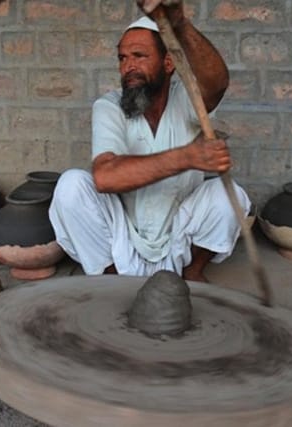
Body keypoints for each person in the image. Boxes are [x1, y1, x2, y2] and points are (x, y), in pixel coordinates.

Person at [49, 0, 251, 282]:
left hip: (178, 236)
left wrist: (179, 22)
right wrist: (187, 157)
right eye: (122, 58)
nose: (128, 66)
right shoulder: (109, 106)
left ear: (168, 62)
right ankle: (112, 280)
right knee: (71, 186)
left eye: (139, 56)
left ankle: (191, 274)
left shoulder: (188, 98)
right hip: (122, 239)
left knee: (231, 196)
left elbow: (217, 83)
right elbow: (105, 177)